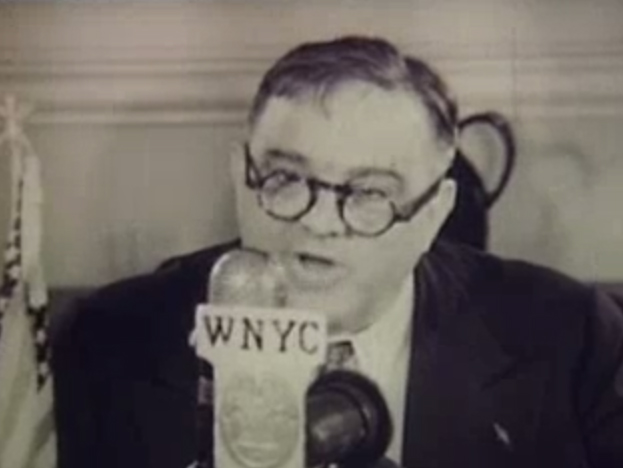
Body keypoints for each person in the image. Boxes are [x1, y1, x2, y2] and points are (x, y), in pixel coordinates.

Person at [52, 36, 623, 468]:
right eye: (285, 178)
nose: (319, 222)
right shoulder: (109, 343)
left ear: (434, 213)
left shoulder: (571, 338)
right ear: (241, 177)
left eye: (370, 192)